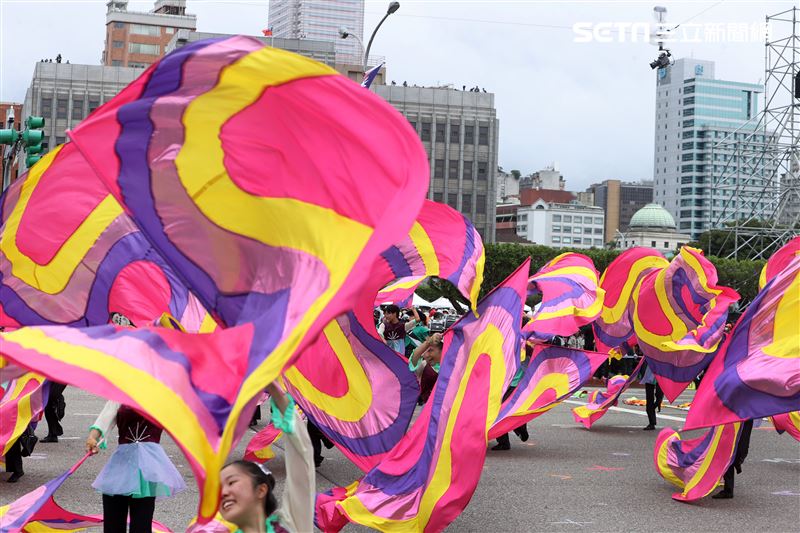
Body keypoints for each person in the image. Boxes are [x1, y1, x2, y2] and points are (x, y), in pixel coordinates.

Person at [219, 382, 314, 533]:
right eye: (218, 488)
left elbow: (301, 465)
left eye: (231, 482)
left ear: (261, 490)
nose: (222, 493)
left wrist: (277, 393)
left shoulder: (289, 527)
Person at [86, 400, 186, 532]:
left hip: (148, 467)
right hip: (121, 463)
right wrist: (93, 438)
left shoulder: (164, 395)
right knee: (113, 522)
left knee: (141, 525)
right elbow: (104, 418)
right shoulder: (120, 393)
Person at [713, 419, 754, 499]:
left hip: (742, 417)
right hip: (735, 417)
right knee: (728, 451)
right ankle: (728, 489)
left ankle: (737, 461)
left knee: (739, 450)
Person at [409, 333, 444, 404]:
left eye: (430, 350)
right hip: (427, 408)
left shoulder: (452, 366)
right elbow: (414, 357)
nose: (426, 355)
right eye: (426, 351)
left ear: (442, 350)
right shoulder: (423, 365)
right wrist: (428, 343)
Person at [640, 361, 663, 431]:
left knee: (659, 396)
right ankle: (651, 423)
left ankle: (656, 404)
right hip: (649, 373)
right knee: (649, 398)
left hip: (661, 373)